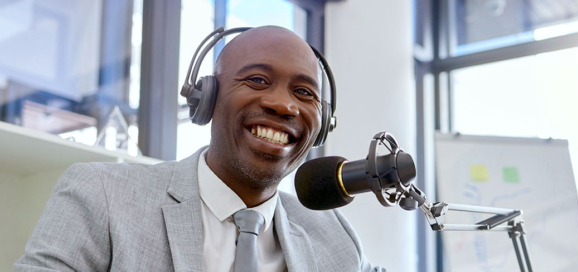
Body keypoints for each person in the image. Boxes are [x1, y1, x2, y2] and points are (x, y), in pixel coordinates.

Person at [15, 26, 383, 272]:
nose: (284, 106)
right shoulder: (102, 196)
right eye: (257, 80)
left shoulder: (333, 235)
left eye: (304, 93)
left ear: (324, 124)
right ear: (206, 98)